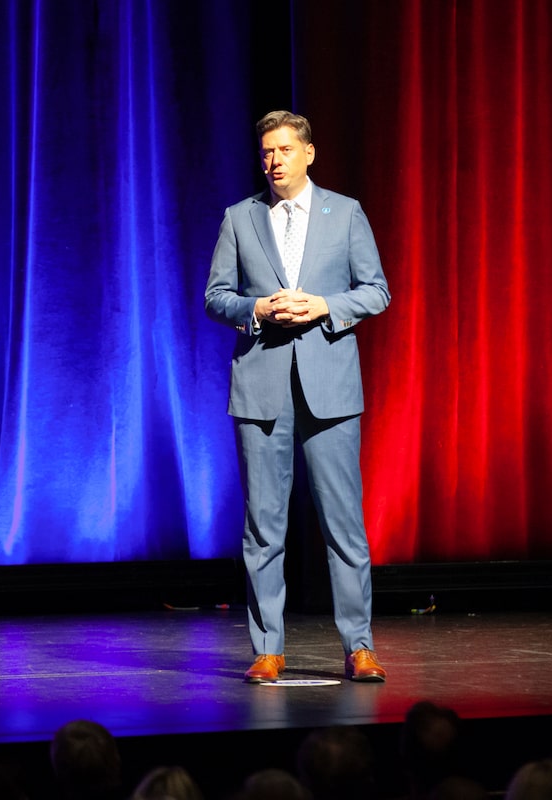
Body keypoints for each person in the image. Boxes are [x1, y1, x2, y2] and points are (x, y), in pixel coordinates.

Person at [205, 110, 391, 684]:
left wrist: (326, 306)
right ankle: (268, 649)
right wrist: (255, 310)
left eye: (284, 150)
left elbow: (377, 291)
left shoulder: (346, 213)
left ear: (309, 153)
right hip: (262, 389)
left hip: (329, 386)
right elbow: (216, 296)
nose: (274, 160)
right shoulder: (241, 217)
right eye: (266, 152)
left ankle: (359, 646)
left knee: (344, 523)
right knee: (263, 525)